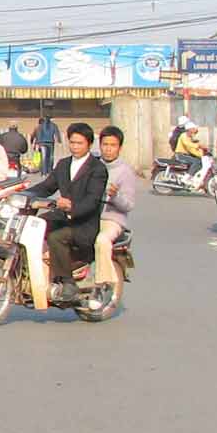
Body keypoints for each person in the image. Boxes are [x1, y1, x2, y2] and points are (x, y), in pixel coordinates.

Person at [22, 122, 108, 304]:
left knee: (56, 237)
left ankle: (68, 282)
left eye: (79, 143)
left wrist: (72, 207)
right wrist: (24, 194)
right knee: (34, 226)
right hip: (62, 216)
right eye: (72, 142)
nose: (75, 147)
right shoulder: (63, 164)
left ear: (89, 144)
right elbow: (47, 186)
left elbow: (92, 201)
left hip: (83, 224)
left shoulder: (97, 169)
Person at [94, 125, 136, 310]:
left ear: (119, 147)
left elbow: (129, 205)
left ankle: (102, 285)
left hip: (112, 219)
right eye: (105, 144)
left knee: (102, 240)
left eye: (113, 145)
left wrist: (115, 195)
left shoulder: (125, 172)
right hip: (88, 216)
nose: (108, 148)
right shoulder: (92, 165)